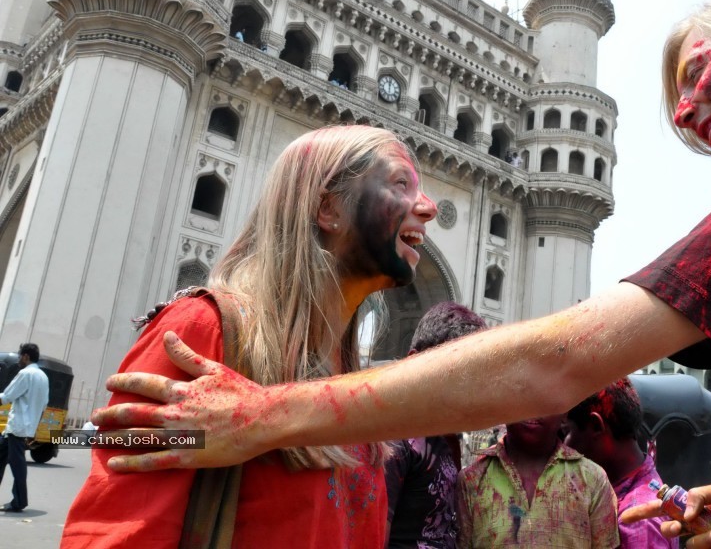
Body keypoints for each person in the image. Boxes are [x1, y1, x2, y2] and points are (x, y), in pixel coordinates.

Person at [91, 0, 711, 548]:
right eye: (674, 104)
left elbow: (562, 361)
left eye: (700, 73)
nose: (687, 120)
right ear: (321, 204)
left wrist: (263, 414)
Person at [61, 124, 437, 548]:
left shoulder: (348, 374)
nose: (428, 207)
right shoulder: (198, 336)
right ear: (328, 209)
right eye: (401, 184)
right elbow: (117, 532)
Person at [385, 302, 487, 549]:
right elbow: (375, 533)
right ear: (416, 362)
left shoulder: (443, 436)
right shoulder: (395, 439)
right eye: (456, 375)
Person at [456, 413, 619, 548]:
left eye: (544, 398)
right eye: (522, 394)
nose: (532, 408)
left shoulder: (592, 480)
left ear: (564, 414)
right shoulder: (472, 480)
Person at [564, 378, 678, 549]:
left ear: (596, 426)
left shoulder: (635, 521)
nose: (562, 446)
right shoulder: (622, 494)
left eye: (566, 431)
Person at [0, 343, 49, 513]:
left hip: (17, 428)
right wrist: (33, 428)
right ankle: (19, 500)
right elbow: (43, 406)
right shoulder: (43, 376)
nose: (19, 359)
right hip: (20, 429)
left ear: (26, 356)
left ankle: (20, 501)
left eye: (20, 355)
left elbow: (6, 397)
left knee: (17, 465)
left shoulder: (25, 373)